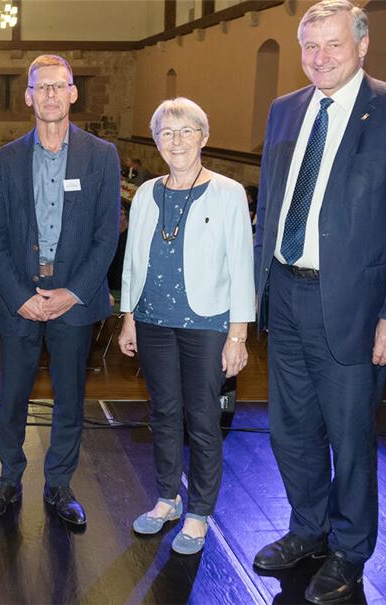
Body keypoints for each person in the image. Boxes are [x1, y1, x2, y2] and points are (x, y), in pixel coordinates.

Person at [252, 1, 386, 602]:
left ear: (361, 45)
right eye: (310, 46)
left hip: (358, 311)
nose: (320, 58)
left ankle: (350, 551)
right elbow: (273, 207)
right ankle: (308, 529)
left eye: (333, 45)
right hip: (285, 295)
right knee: (290, 431)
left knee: (350, 438)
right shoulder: (284, 111)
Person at [0, 55, 119, 526]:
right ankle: (8, 478)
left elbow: (106, 235)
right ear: (29, 96)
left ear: (73, 93)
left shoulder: (102, 156)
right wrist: (18, 294)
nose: (52, 95)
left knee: (69, 397)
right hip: (21, 298)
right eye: (43, 88)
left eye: (60, 86)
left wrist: (73, 292)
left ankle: (59, 483)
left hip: (73, 303)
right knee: (13, 395)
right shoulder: (3, 161)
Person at [117, 98, 254, 555]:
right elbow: (133, 262)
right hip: (153, 320)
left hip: (207, 323)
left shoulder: (228, 192)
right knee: (163, 414)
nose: (176, 141)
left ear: (204, 136)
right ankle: (166, 499)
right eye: (166, 133)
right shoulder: (146, 194)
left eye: (186, 131)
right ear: (156, 141)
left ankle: (198, 512)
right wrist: (129, 318)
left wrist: (238, 334)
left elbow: (242, 266)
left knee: (202, 419)